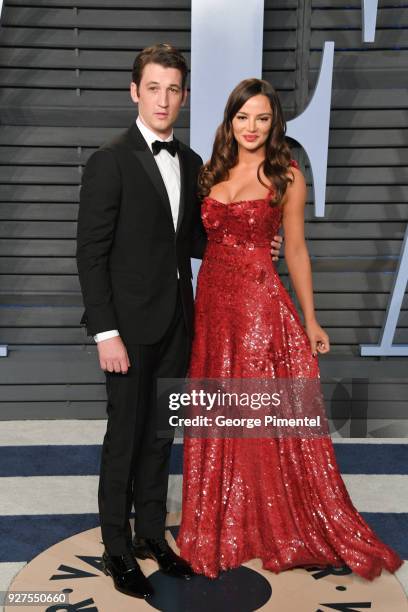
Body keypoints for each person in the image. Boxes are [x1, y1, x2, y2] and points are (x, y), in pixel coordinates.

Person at [176, 78, 404, 581]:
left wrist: (311, 317)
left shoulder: (287, 175)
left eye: (262, 118)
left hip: (258, 306)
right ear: (229, 120)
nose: (252, 127)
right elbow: (196, 238)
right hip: (213, 308)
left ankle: (264, 520)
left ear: (274, 122)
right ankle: (225, 518)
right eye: (243, 117)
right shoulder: (208, 171)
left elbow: (296, 249)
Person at [76, 45, 283, 599]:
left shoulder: (191, 162)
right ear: (134, 91)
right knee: (125, 436)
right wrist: (105, 332)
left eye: (173, 90)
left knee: (161, 436)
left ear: (184, 96)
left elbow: (194, 240)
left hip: (178, 326)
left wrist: (257, 240)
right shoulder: (110, 158)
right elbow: (90, 254)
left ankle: (151, 537)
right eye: (153, 88)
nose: (163, 99)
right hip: (126, 330)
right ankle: (116, 550)